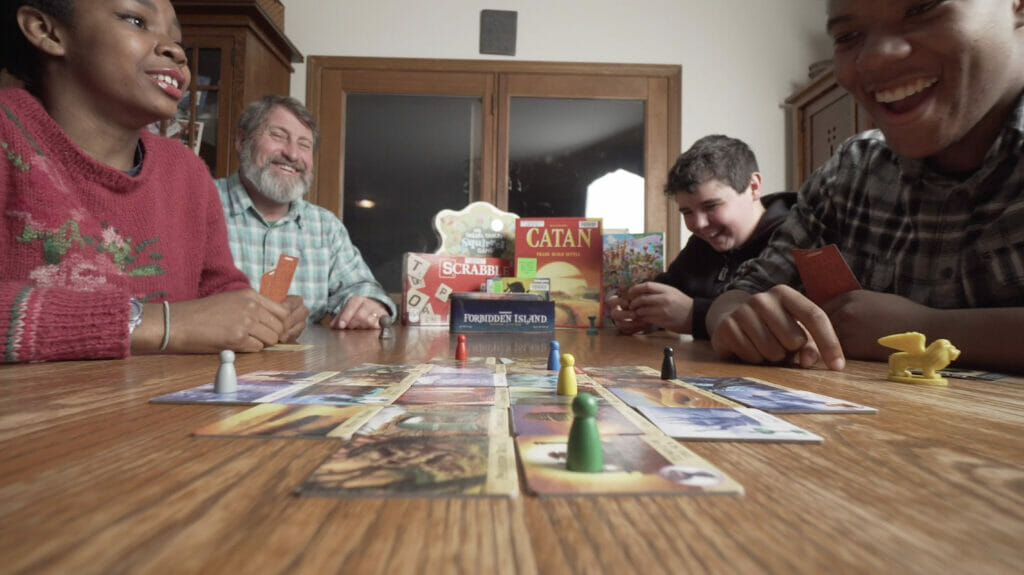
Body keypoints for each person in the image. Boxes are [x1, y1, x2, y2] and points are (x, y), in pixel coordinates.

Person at [707, 0, 1024, 374]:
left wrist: (927, 330)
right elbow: (742, 294)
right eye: (848, 35)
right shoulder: (852, 171)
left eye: (923, 8)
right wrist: (738, 320)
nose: (873, 59)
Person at [0, 0, 306, 363]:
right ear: (45, 30)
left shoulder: (187, 171)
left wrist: (262, 317)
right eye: (136, 20)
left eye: (176, 37)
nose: (176, 50)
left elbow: (221, 292)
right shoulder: (8, 134)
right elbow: (185, 322)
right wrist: (162, 323)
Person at [215, 95, 396, 330]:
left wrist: (370, 304)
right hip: (205, 363)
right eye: (278, 136)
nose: (292, 154)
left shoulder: (325, 226)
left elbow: (360, 287)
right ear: (241, 140)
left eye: (304, 145)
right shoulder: (196, 202)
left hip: (300, 365)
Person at [607, 135, 795, 339]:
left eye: (711, 206)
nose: (698, 224)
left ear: (753, 187)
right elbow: (667, 292)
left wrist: (694, 316)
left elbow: (792, 329)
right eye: (687, 212)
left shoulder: (800, 238)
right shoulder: (702, 244)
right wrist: (636, 312)